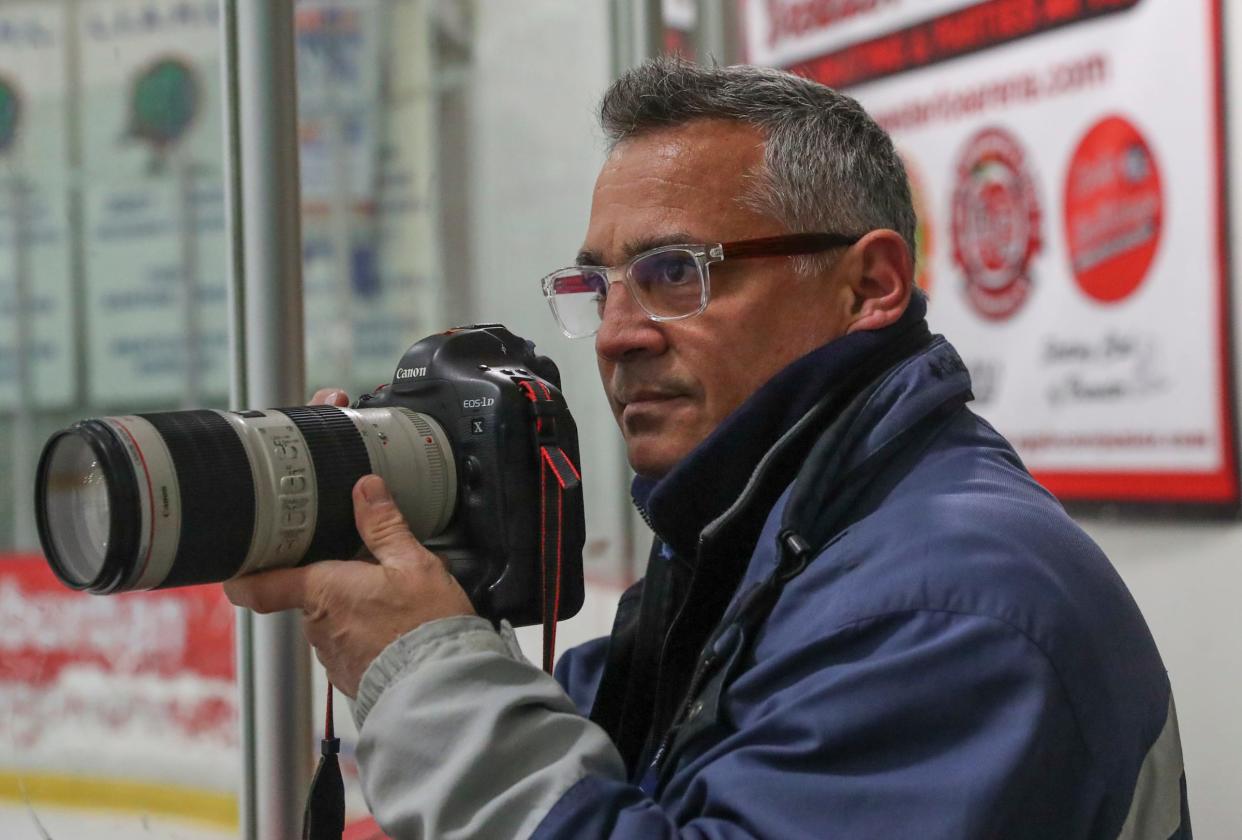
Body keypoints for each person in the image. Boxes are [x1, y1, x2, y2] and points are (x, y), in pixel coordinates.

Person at [225, 58, 1190, 839]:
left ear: (869, 287)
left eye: (674, 272)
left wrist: (423, 669)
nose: (617, 332)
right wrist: (448, 587)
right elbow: (629, 777)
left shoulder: (951, 600)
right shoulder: (764, 530)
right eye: (599, 285)